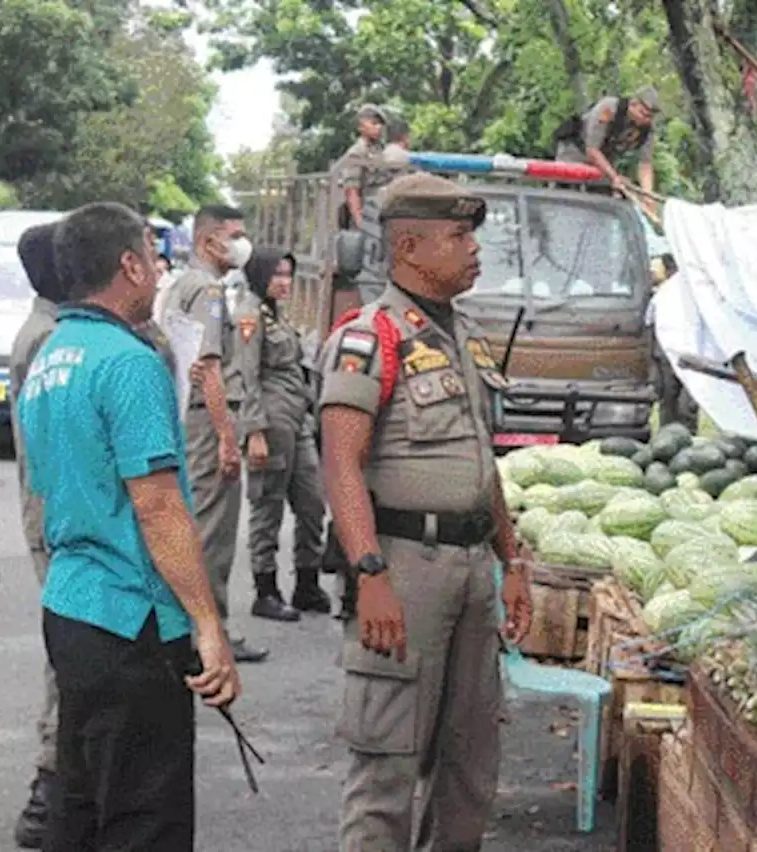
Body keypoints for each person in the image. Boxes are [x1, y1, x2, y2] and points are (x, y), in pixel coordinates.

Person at [318, 172, 534, 851]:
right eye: (459, 237)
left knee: (470, 770)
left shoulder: (457, 334)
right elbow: (340, 463)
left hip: (471, 570)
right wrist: (370, 571)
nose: (475, 249)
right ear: (409, 247)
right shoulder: (368, 336)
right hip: (405, 570)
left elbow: (479, 462)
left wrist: (513, 559)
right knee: (386, 771)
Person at [17, 201, 243, 852]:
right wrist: (207, 623)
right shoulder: (129, 361)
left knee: (81, 807)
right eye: (152, 251)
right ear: (130, 265)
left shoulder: (54, 354)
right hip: (132, 623)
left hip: (71, 608)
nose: (158, 266)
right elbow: (158, 506)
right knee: (145, 819)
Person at [168, 205, 282, 643]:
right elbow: (210, 367)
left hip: (192, 417)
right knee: (211, 532)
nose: (241, 243)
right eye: (234, 235)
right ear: (208, 241)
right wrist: (226, 438)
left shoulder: (186, 286)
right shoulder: (207, 293)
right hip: (208, 419)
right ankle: (207, 631)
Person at [8, 221, 66, 849]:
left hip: (48, 511)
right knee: (68, 652)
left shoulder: (46, 330)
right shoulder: (49, 337)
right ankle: (49, 786)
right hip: (53, 517)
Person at [238, 248, 331, 615]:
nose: (283, 281)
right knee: (268, 507)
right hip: (271, 422)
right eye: (276, 274)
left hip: (297, 420)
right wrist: (254, 431)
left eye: (288, 274)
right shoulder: (249, 316)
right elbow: (245, 377)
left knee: (312, 503)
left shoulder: (276, 315)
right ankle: (266, 590)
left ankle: (307, 583)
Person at [553, 85, 661, 197]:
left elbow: (645, 164)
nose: (646, 120)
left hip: (604, 162)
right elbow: (592, 150)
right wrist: (614, 177)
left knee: (603, 196)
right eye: (643, 114)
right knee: (567, 194)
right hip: (575, 152)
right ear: (633, 104)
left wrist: (648, 195)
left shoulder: (647, 129)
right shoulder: (609, 109)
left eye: (650, 117)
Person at [337, 103, 387, 230]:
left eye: (380, 124)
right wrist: (361, 224)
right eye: (374, 123)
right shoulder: (357, 153)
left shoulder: (382, 151)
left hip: (383, 215)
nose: (379, 127)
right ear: (361, 126)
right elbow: (351, 191)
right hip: (366, 217)